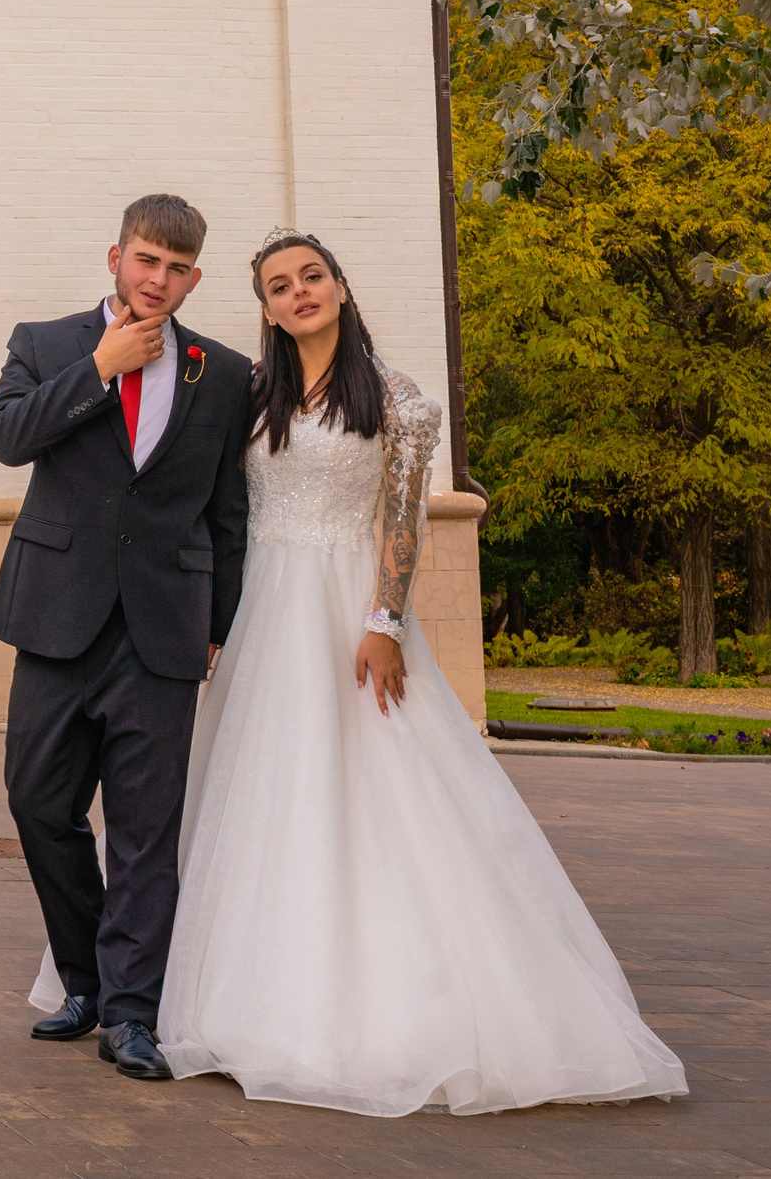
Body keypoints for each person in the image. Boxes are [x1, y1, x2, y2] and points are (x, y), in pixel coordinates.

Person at [155, 229, 687, 1114]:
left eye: (311, 277)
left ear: (340, 284)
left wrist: (385, 621)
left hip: (347, 608)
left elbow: (401, 521)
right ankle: (246, 988)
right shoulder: (253, 398)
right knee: (263, 787)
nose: (299, 294)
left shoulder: (397, 397)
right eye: (280, 286)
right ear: (267, 308)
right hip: (263, 613)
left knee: (378, 782)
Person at [0, 194, 252, 1082]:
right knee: (37, 802)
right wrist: (99, 366)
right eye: (146, 261)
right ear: (116, 257)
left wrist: (218, 626)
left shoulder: (227, 372)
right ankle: (88, 978)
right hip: (56, 616)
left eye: (177, 270)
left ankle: (132, 1015)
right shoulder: (46, 343)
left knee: (144, 829)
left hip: (163, 631)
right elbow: (8, 439)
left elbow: (227, 514)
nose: (159, 281)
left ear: (196, 277)